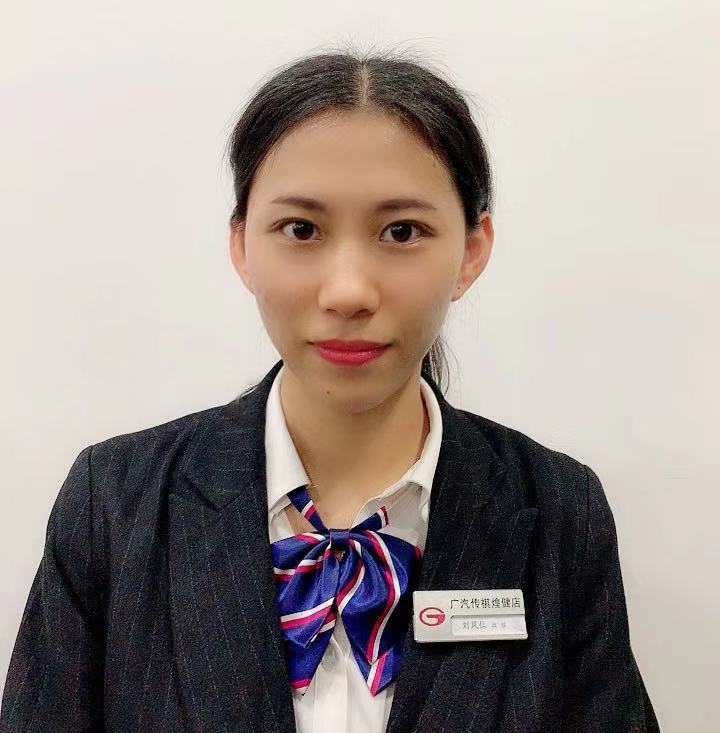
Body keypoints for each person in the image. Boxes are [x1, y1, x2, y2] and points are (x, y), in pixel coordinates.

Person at [1, 46, 660, 732]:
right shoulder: (114, 504)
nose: (348, 291)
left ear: (471, 249)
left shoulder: (558, 511)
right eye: (301, 229)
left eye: (401, 231)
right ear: (241, 244)